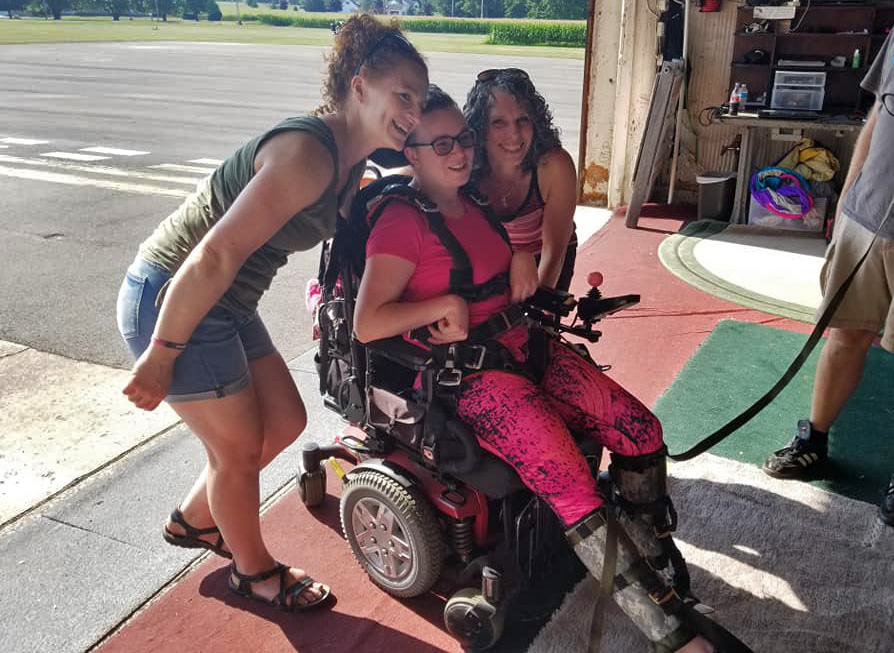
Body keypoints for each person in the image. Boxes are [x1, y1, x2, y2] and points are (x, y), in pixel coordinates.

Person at [353, 84, 716, 653]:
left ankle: (650, 557)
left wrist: (519, 258)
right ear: (412, 153)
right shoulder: (401, 221)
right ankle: (670, 634)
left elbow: (506, 260)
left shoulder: (471, 202)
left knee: (641, 430)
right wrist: (437, 308)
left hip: (529, 347)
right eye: (441, 143)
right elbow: (367, 322)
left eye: (464, 139)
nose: (461, 152)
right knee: (573, 484)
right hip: (471, 378)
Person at [116, 14, 428, 611]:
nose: (412, 112)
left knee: (282, 423)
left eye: (420, 100)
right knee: (236, 451)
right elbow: (215, 253)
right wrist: (161, 353)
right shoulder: (307, 154)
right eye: (402, 96)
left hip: (227, 302)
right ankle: (253, 573)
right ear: (359, 85)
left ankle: (194, 520)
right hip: (176, 294)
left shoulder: (352, 161)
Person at [761, 31, 894, 527]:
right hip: (866, 217)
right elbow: (878, 113)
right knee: (845, 334)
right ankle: (814, 441)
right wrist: (847, 197)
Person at [464, 68, 578, 291]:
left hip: (541, 260)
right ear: (480, 127)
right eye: (499, 122)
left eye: (523, 120)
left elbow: (553, 253)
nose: (514, 135)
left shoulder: (554, 166)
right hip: (490, 261)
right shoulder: (464, 165)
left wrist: (537, 311)